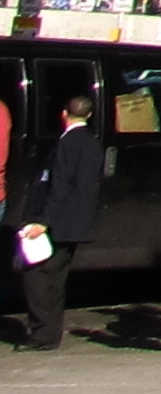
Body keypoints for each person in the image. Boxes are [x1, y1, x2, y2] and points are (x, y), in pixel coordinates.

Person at [18, 87, 103, 351]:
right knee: (56, 278)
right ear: (88, 115)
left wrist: (43, 220)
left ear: (64, 114)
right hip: (76, 222)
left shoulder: (67, 142)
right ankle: (50, 333)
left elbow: (60, 185)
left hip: (58, 220)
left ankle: (43, 334)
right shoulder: (92, 142)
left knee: (38, 277)